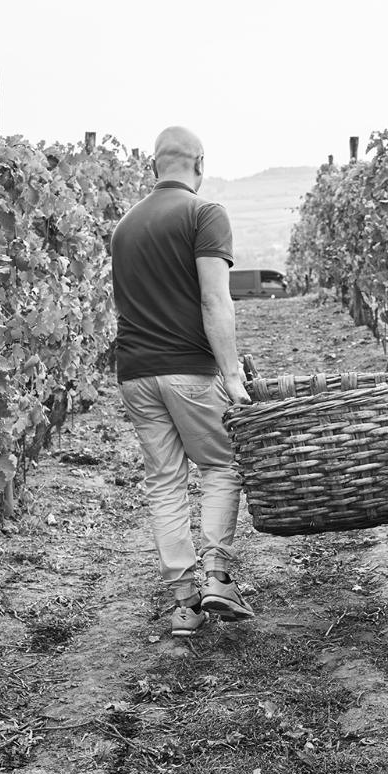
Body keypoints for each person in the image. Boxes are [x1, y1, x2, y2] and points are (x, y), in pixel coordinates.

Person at [111, 126, 254, 638]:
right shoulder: (204, 214)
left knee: (164, 480)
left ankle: (183, 603)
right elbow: (215, 300)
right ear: (199, 163)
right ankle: (217, 576)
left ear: (154, 167)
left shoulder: (124, 227)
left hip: (134, 374)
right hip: (189, 369)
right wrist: (232, 375)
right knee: (220, 464)